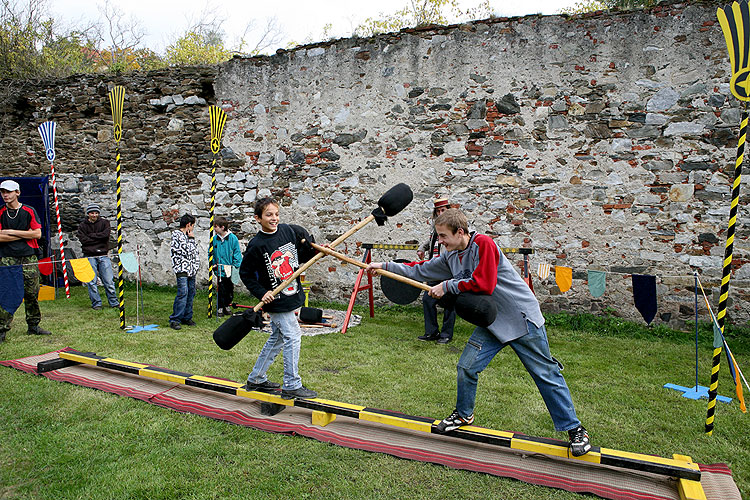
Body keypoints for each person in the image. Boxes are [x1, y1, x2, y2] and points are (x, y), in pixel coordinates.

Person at [366, 208, 591, 457]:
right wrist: (384, 266)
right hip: (492, 321)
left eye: (442, 236)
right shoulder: (451, 254)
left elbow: (484, 282)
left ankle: (576, 430)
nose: (439, 241)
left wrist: (448, 285)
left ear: (460, 232)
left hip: (521, 318)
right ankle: (464, 414)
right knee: (467, 366)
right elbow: (422, 269)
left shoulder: (483, 244)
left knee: (544, 373)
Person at [239, 197, 317, 400]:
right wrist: (261, 292)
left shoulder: (287, 231)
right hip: (275, 300)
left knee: (278, 338)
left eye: (276, 214)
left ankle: (256, 378)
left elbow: (299, 257)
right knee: (293, 335)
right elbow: (245, 273)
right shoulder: (257, 245)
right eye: (268, 215)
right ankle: (292, 384)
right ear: (258, 218)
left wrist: (316, 251)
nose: (274, 218)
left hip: (291, 293)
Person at [0, 179, 51, 341]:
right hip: (7, 257)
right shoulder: (0, 212)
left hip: (28, 256)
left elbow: (37, 234)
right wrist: (24, 234)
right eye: (3, 192)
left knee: (32, 291)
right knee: (7, 292)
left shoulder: (29, 211)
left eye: (8, 192)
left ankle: (33, 325)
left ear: (17, 193)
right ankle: (2, 328)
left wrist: (11, 232)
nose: (5, 195)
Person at [416, 198, 456, 344]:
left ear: (448, 210)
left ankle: (446, 335)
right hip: (434, 269)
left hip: (448, 270)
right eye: (438, 211)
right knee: (428, 299)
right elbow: (431, 240)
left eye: (443, 210)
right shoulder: (436, 227)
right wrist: (422, 249)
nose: (440, 213)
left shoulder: (453, 225)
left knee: (450, 303)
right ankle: (431, 332)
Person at [77, 203, 118, 310]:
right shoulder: (82, 226)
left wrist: (91, 236)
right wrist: (97, 238)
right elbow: (83, 240)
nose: (94, 215)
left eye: (96, 213)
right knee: (91, 281)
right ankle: (96, 303)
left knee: (108, 281)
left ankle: (113, 302)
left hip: (103, 254)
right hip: (89, 255)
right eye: (92, 213)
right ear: (88, 214)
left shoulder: (105, 223)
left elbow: (105, 236)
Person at [169, 213, 199, 330]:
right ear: (188, 225)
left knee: (191, 293)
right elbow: (187, 250)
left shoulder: (187, 236)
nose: (193, 229)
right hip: (182, 268)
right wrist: (191, 239)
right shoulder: (177, 236)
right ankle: (175, 319)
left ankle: (187, 317)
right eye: (192, 226)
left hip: (191, 269)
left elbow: (194, 252)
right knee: (183, 293)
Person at [211, 216, 243, 317]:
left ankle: (227, 305)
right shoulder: (214, 239)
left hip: (230, 268)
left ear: (223, 227)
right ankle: (220, 307)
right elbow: (210, 252)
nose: (214, 229)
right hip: (219, 268)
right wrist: (212, 263)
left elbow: (237, 253)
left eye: (216, 227)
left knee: (229, 289)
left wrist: (235, 266)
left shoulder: (232, 238)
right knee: (221, 288)